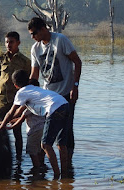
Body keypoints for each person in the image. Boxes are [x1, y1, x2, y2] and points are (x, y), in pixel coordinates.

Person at [0, 69, 70, 179]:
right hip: (65, 104)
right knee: (61, 143)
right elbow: (17, 114)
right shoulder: (34, 89)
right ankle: (65, 175)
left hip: (54, 108)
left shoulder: (22, 92)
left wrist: (0, 128)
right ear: (27, 80)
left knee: (45, 145)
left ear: (15, 85)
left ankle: (57, 176)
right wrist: (1, 123)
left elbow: (11, 112)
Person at [27, 17, 82, 166]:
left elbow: (77, 62)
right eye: (31, 35)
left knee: (66, 130)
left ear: (43, 29)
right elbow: (34, 74)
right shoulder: (35, 49)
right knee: (47, 131)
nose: (33, 37)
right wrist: (28, 92)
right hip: (48, 97)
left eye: (34, 33)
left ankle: (67, 165)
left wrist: (75, 86)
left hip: (65, 94)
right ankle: (48, 164)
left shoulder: (60, 40)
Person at [0, 31, 31, 159]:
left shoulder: (25, 61)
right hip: (1, 101)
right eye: (6, 42)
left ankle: (19, 159)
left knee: (16, 132)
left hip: (16, 102)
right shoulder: (1, 58)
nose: (8, 45)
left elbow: (29, 84)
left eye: (11, 42)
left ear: (18, 43)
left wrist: (27, 103)